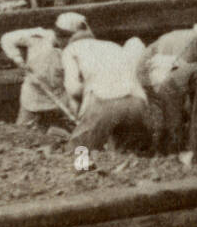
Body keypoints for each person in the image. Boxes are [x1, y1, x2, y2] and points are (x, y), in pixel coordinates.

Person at [61, 16, 153, 150]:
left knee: (78, 152)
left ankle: (82, 166)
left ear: (66, 37)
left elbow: (73, 89)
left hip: (103, 102)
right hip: (137, 102)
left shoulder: (70, 50)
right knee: (132, 156)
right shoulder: (112, 46)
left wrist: (81, 106)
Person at [0, 17, 78, 129]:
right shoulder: (39, 36)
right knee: (22, 132)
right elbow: (6, 39)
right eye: (62, 38)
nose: (64, 43)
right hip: (34, 93)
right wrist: (18, 59)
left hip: (60, 96)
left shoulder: (75, 48)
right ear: (57, 34)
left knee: (72, 130)